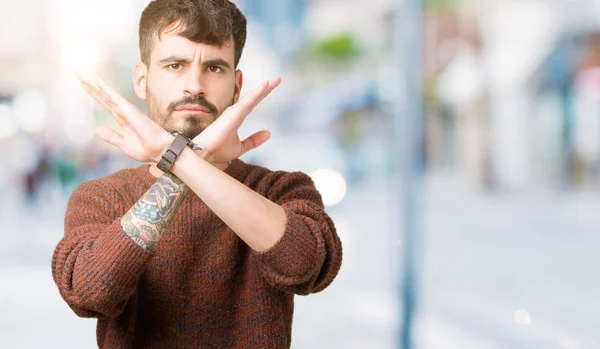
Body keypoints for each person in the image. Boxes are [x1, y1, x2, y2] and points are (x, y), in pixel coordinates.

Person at [50, 0, 343, 348]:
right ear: (142, 80)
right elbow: (89, 292)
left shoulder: (280, 189)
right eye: (175, 65)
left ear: (237, 86)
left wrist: (180, 160)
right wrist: (188, 164)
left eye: (214, 68)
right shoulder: (101, 197)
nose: (195, 86)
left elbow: (306, 265)